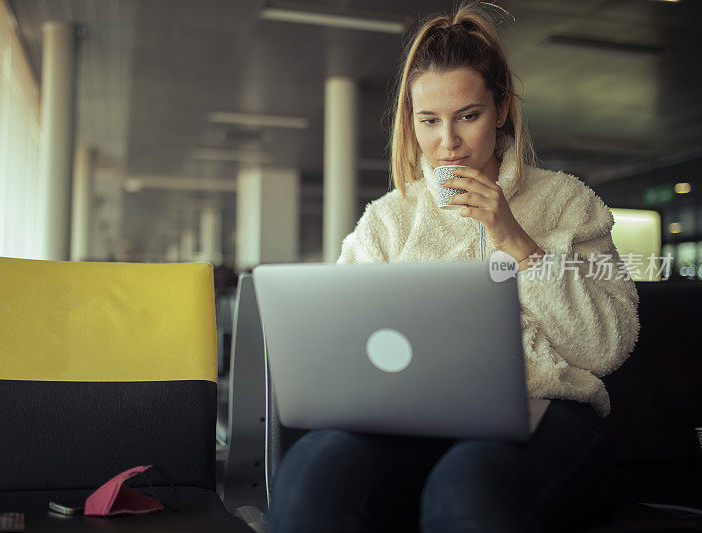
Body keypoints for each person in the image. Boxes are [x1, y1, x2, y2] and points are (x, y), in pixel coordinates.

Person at [267, 1, 640, 532]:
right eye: (430, 120)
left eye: (468, 115)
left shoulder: (567, 203)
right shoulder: (388, 220)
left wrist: (515, 240)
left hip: (544, 414)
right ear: (411, 122)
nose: (449, 142)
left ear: (503, 107)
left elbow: (607, 346)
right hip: (411, 421)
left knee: (467, 484)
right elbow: (340, 352)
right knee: (312, 473)